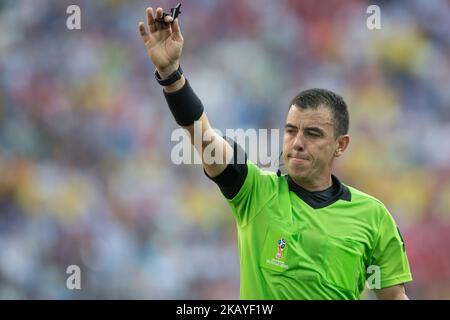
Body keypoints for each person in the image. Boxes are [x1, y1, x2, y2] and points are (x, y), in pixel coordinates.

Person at [138, 6, 413, 300]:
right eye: (291, 130)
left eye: (313, 134)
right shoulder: (255, 193)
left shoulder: (373, 216)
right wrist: (170, 74)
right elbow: (203, 137)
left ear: (340, 145)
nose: (297, 142)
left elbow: (393, 296)